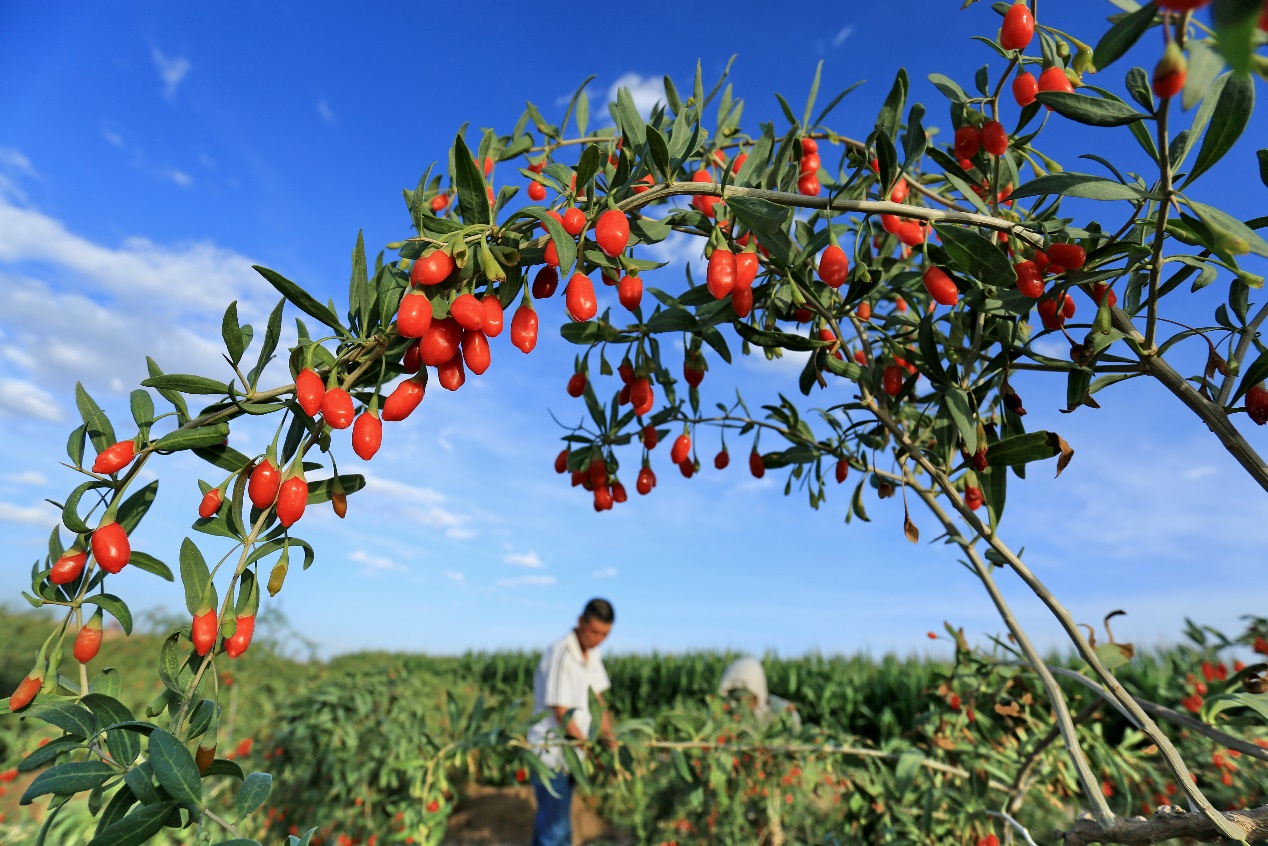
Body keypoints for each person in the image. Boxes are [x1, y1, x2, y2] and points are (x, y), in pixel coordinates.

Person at [526, 598, 615, 846]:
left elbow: (598, 700)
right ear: (580, 622)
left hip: (573, 756)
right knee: (555, 831)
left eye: (605, 634)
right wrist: (589, 746)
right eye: (595, 632)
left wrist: (610, 737)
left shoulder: (593, 653)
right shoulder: (561, 654)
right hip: (552, 755)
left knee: (554, 825)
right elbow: (560, 712)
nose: (598, 639)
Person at [718, 656, 801, 731]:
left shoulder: (780, 709)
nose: (742, 705)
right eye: (737, 699)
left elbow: (794, 731)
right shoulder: (725, 712)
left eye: (748, 699)